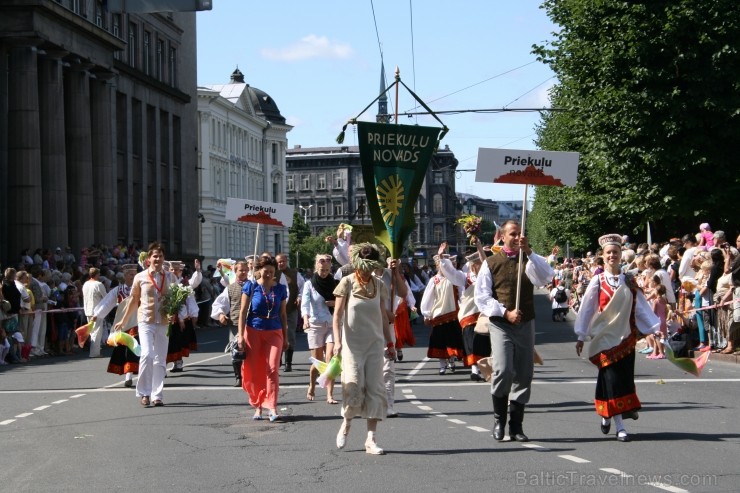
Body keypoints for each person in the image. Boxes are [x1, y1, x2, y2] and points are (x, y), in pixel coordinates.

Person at [574, 234, 660, 442]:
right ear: (603, 257)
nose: (612, 255)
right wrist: (581, 334)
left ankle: (606, 413)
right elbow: (587, 308)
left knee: (621, 380)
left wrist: (653, 327)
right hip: (604, 338)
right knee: (611, 379)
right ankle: (620, 425)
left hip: (625, 338)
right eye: (608, 253)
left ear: (621, 255)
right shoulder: (598, 280)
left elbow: (639, 307)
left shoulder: (628, 281)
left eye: (616, 252)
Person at [474, 220, 554, 442]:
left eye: (520, 234)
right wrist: (504, 312)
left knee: (524, 373)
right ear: (502, 236)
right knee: (503, 370)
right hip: (501, 324)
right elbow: (481, 297)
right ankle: (499, 419)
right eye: (513, 234)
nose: (517, 237)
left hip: (526, 323)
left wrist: (529, 251)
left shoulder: (528, 260)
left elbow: (546, 276)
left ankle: (516, 425)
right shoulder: (491, 263)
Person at [332, 243, 395, 455]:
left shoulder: (379, 285)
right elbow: (338, 315)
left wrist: (390, 343)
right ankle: (347, 423)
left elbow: (384, 318)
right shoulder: (346, 283)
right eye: (365, 266)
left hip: (375, 345)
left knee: (376, 389)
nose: (367, 270)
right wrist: (338, 341)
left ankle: (371, 439)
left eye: (371, 267)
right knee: (354, 386)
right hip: (352, 346)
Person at [114, 242, 177, 407]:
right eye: (155, 256)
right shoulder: (140, 277)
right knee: (147, 355)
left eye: (161, 256)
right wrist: (123, 320)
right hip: (146, 320)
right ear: (149, 259)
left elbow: (175, 299)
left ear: (164, 259)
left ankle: (157, 395)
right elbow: (134, 300)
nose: (158, 259)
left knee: (160, 360)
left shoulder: (169, 277)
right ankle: (144, 393)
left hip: (163, 321)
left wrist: (174, 312)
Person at [237, 256, 288, 422]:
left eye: (272, 272)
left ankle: (272, 406)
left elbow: (283, 314)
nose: (269, 275)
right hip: (253, 330)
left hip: (274, 331)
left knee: (272, 368)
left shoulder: (280, 289)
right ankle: (258, 405)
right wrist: (240, 336)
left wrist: (286, 337)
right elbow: (243, 313)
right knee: (255, 369)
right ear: (259, 271)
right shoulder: (250, 287)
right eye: (266, 271)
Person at [437, 241, 488, 381]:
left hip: (483, 314)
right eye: (475, 263)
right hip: (469, 314)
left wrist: (478, 245)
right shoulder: (465, 278)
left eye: (479, 263)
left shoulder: (486, 276)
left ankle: (483, 369)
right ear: (471, 265)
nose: (478, 266)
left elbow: (487, 264)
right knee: (471, 342)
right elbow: (451, 273)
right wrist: (442, 259)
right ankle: (474, 370)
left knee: (484, 342)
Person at [421, 244, 466, 375]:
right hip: (439, 314)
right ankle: (442, 364)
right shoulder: (433, 280)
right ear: (437, 266)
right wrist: (426, 314)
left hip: (453, 313)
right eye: (440, 264)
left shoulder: (454, 279)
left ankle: (451, 360)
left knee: (452, 339)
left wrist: (463, 308)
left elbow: (462, 294)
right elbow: (427, 299)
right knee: (440, 341)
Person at [301, 254, 338, 403]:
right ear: (316, 266)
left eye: (327, 270)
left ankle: (330, 395)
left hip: (331, 324)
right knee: (318, 362)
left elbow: (343, 301)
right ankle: (312, 385)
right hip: (315, 325)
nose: (324, 272)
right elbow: (305, 303)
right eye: (322, 269)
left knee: (331, 359)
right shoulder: (309, 284)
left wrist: (334, 303)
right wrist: (305, 319)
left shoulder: (335, 283)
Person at [211, 260, 250, 386]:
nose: (243, 272)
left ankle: (250, 376)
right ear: (235, 271)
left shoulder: (254, 286)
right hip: (235, 324)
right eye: (240, 270)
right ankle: (239, 377)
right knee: (236, 351)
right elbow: (220, 303)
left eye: (245, 270)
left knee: (251, 352)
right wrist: (221, 314)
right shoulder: (230, 288)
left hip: (252, 324)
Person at [276, 253, 303, 372]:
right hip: (275, 311)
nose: (280, 264)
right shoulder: (272, 273)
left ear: (286, 261)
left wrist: (299, 296)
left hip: (290, 309)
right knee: (277, 335)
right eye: (278, 262)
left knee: (290, 335)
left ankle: (288, 362)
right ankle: (278, 359)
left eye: (282, 261)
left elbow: (302, 287)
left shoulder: (295, 274)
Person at [83, 267, 108, 358]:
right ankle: (94, 352)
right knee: (97, 331)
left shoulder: (85, 284)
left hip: (88, 310)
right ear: (96, 274)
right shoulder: (99, 284)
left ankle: (94, 351)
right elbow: (106, 297)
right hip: (96, 310)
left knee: (92, 331)